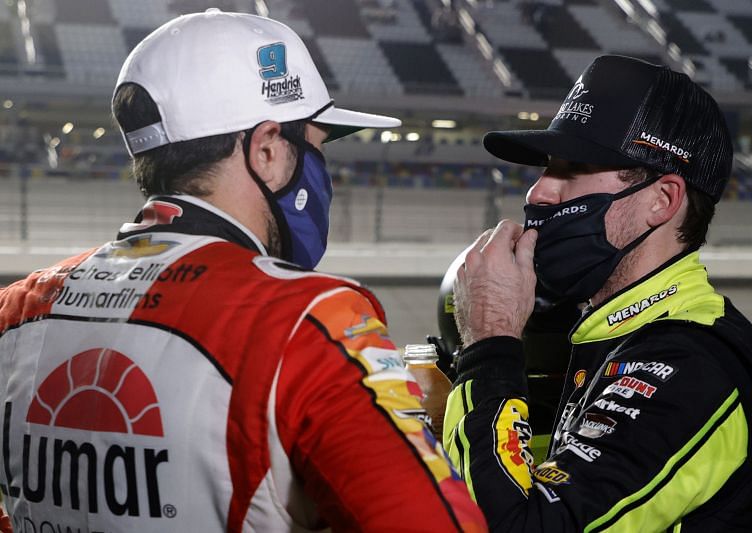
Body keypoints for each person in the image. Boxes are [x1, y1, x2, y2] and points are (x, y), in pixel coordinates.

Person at [0, 10, 486, 532]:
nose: (324, 174)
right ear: (270, 151)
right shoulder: (310, 321)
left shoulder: (17, 312)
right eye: (317, 148)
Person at [444, 54, 752, 531]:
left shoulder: (690, 364)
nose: (539, 193)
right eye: (547, 167)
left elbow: (518, 526)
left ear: (661, 200)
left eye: (574, 167)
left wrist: (489, 345)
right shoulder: (620, 334)